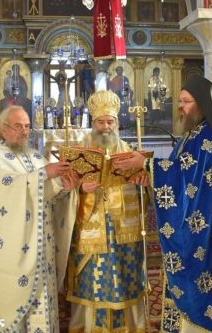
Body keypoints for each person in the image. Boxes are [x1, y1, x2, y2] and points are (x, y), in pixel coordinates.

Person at [114, 75, 212, 332]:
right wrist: (150, 176)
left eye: (186, 101)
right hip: (205, 230)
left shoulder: (210, 137)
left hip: (210, 235)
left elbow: (190, 178)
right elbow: (181, 173)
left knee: (208, 295)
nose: (180, 107)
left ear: (203, 104)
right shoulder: (194, 134)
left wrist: (146, 163)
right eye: (179, 101)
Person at [0, 106, 76, 332]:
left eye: (27, 126)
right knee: (9, 302)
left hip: (41, 249)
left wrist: (63, 185)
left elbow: (45, 193)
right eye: (18, 126)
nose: (24, 131)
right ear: (3, 129)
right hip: (11, 250)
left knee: (42, 303)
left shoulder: (35, 156)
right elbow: (8, 189)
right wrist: (45, 173)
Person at [65, 90, 145, 332]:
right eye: (101, 122)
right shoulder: (81, 151)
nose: (106, 127)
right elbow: (64, 189)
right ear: (93, 123)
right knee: (92, 279)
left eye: (110, 121)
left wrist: (142, 180)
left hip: (123, 229)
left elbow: (142, 190)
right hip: (92, 228)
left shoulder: (128, 150)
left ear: (116, 123)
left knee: (124, 276)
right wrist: (81, 189)